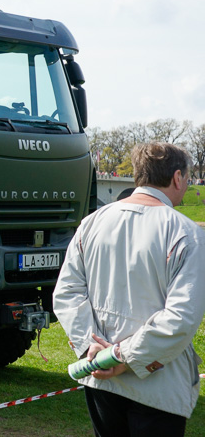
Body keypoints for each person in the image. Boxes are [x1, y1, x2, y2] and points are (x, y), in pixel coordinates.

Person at [54, 142, 205, 436]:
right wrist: (119, 357)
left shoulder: (92, 223)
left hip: (102, 373)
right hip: (154, 384)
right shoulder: (186, 232)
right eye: (187, 179)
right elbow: (181, 317)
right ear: (177, 178)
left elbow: (67, 293)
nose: (186, 185)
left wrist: (94, 347)